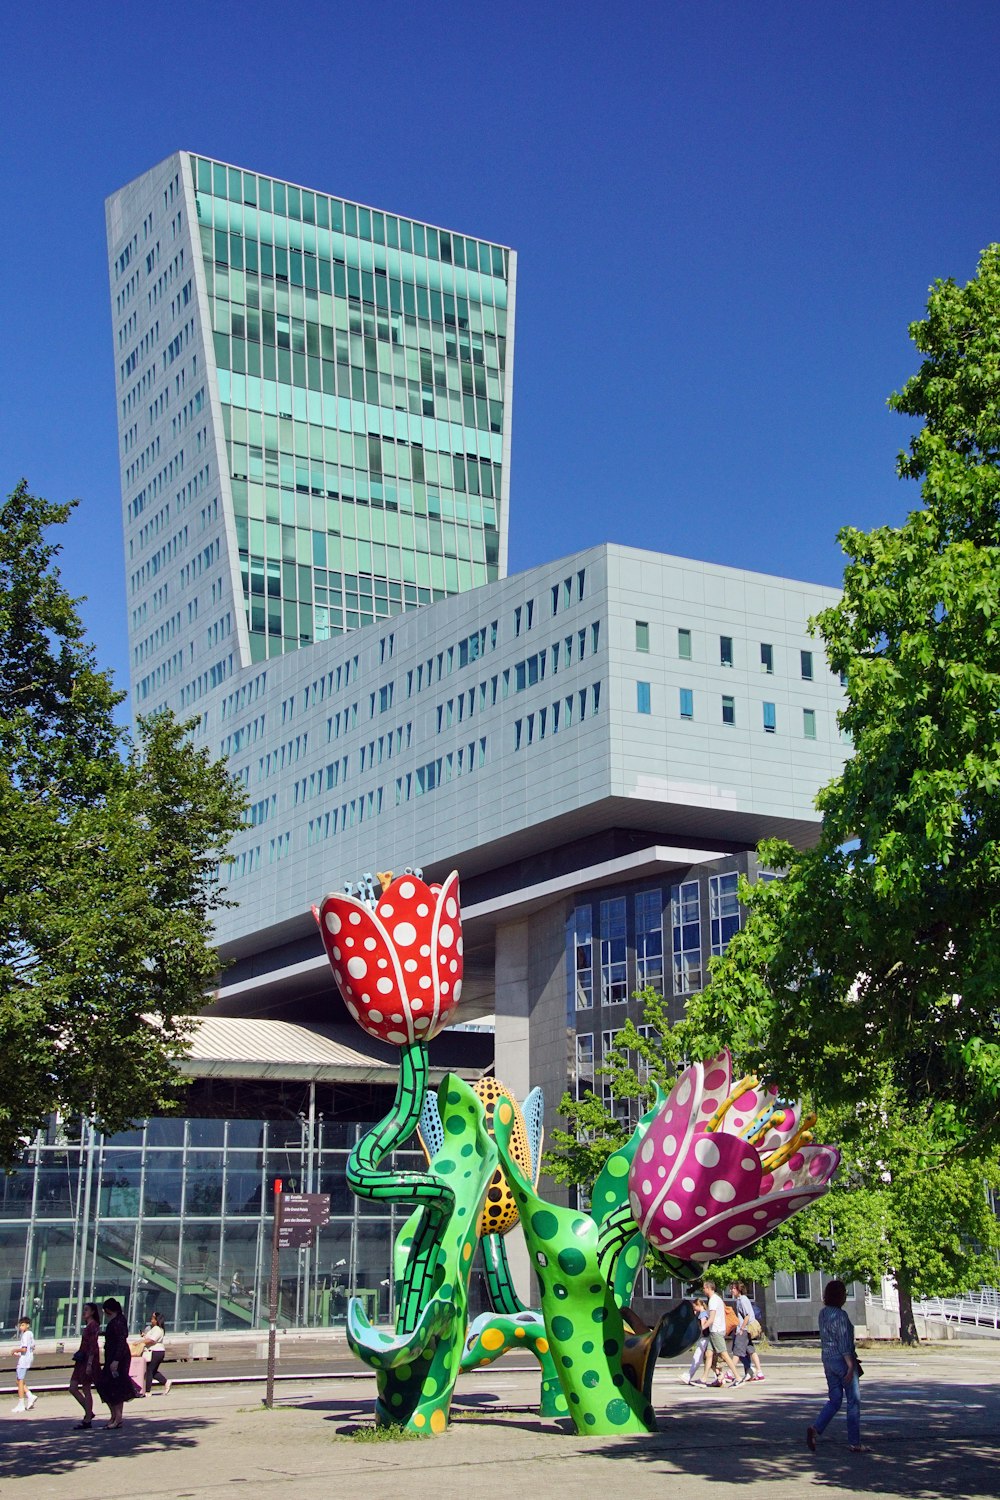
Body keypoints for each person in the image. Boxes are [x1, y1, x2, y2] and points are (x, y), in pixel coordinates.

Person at [807, 1279, 863, 1453]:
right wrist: (850, 1365)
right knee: (853, 1401)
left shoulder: (823, 1314)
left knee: (835, 1400)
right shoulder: (840, 1315)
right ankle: (854, 1442)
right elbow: (843, 1341)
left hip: (827, 1360)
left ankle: (816, 1428)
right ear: (840, 1296)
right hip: (841, 1360)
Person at [96, 1298, 138, 1429]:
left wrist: (116, 1360)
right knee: (109, 1385)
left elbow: (121, 1340)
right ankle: (115, 1415)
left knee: (114, 1385)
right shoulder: (118, 1320)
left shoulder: (118, 1321)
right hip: (113, 1356)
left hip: (117, 1357)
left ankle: (117, 1417)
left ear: (108, 1310)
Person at [702, 1279, 742, 1388]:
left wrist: (702, 1327)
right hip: (715, 1331)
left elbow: (711, 1319)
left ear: (709, 1288)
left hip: (716, 1331)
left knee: (724, 1355)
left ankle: (738, 1377)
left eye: (704, 1288)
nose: (703, 1290)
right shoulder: (716, 1299)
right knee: (708, 1354)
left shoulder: (713, 1300)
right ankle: (704, 1378)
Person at [69, 1302, 102, 1428]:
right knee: (73, 1387)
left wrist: (89, 1363)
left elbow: (93, 1346)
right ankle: (89, 1412)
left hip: (88, 1359)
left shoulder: (93, 1326)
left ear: (93, 1312)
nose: (84, 1312)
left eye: (86, 1310)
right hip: (81, 1358)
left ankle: (88, 1418)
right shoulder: (88, 1326)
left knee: (86, 1388)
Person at [731, 1280, 764, 1382]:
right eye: (731, 1288)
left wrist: (741, 1329)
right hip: (744, 1328)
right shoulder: (739, 1299)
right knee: (750, 1350)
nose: (731, 1290)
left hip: (744, 1329)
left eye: (733, 1288)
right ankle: (759, 1372)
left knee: (737, 1350)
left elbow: (747, 1315)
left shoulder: (743, 1299)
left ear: (739, 1289)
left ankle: (730, 1372)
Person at [680, 1296, 710, 1384]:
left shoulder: (703, 1314)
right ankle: (719, 1376)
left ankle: (688, 1376)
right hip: (705, 1338)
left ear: (698, 1305)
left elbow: (702, 1326)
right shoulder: (704, 1313)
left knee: (697, 1357)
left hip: (704, 1338)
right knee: (704, 1358)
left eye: (694, 1307)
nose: (694, 1309)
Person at [10, 1317, 36, 1413]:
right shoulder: (30, 1334)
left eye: (23, 1325)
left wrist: (15, 1350)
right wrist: (19, 1354)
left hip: (24, 1361)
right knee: (18, 1381)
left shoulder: (25, 1335)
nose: (21, 1327)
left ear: (27, 1325)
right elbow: (32, 1347)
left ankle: (21, 1404)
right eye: (20, 1325)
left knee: (20, 1381)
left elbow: (24, 1349)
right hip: (27, 1359)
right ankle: (30, 1396)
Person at [142, 1311, 172, 1395]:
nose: (151, 1320)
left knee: (149, 1370)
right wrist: (144, 1336)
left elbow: (152, 1340)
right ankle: (166, 1382)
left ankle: (147, 1391)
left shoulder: (158, 1329)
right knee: (152, 1370)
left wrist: (140, 1342)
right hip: (154, 1351)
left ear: (157, 1320)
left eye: (152, 1318)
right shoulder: (153, 1329)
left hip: (156, 1351)